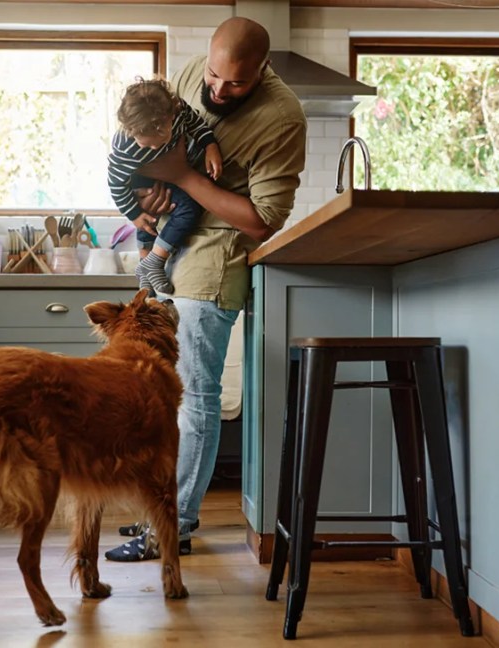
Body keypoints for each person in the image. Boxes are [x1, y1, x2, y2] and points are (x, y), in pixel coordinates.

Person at [105, 16, 307, 562]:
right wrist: (146, 201)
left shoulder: (283, 117)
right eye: (214, 77)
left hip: (213, 264)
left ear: (262, 69)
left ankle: (178, 526)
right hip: (174, 252)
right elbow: (153, 149)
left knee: (196, 399)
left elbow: (264, 220)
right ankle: (164, 514)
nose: (217, 90)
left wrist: (182, 177)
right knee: (171, 398)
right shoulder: (197, 72)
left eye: (234, 84)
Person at [108, 77, 223, 295]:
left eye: (161, 139)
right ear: (130, 130)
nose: (153, 147)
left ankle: (153, 261)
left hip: (171, 173)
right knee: (146, 221)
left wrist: (210, 146)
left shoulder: (179, 111)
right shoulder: (125, 148)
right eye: (146, 143)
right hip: (138, 181)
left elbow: (197, 124)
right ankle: (146, 266)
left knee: (190, 209)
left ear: (172, 116)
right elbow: (115, 183)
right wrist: (134, 213)